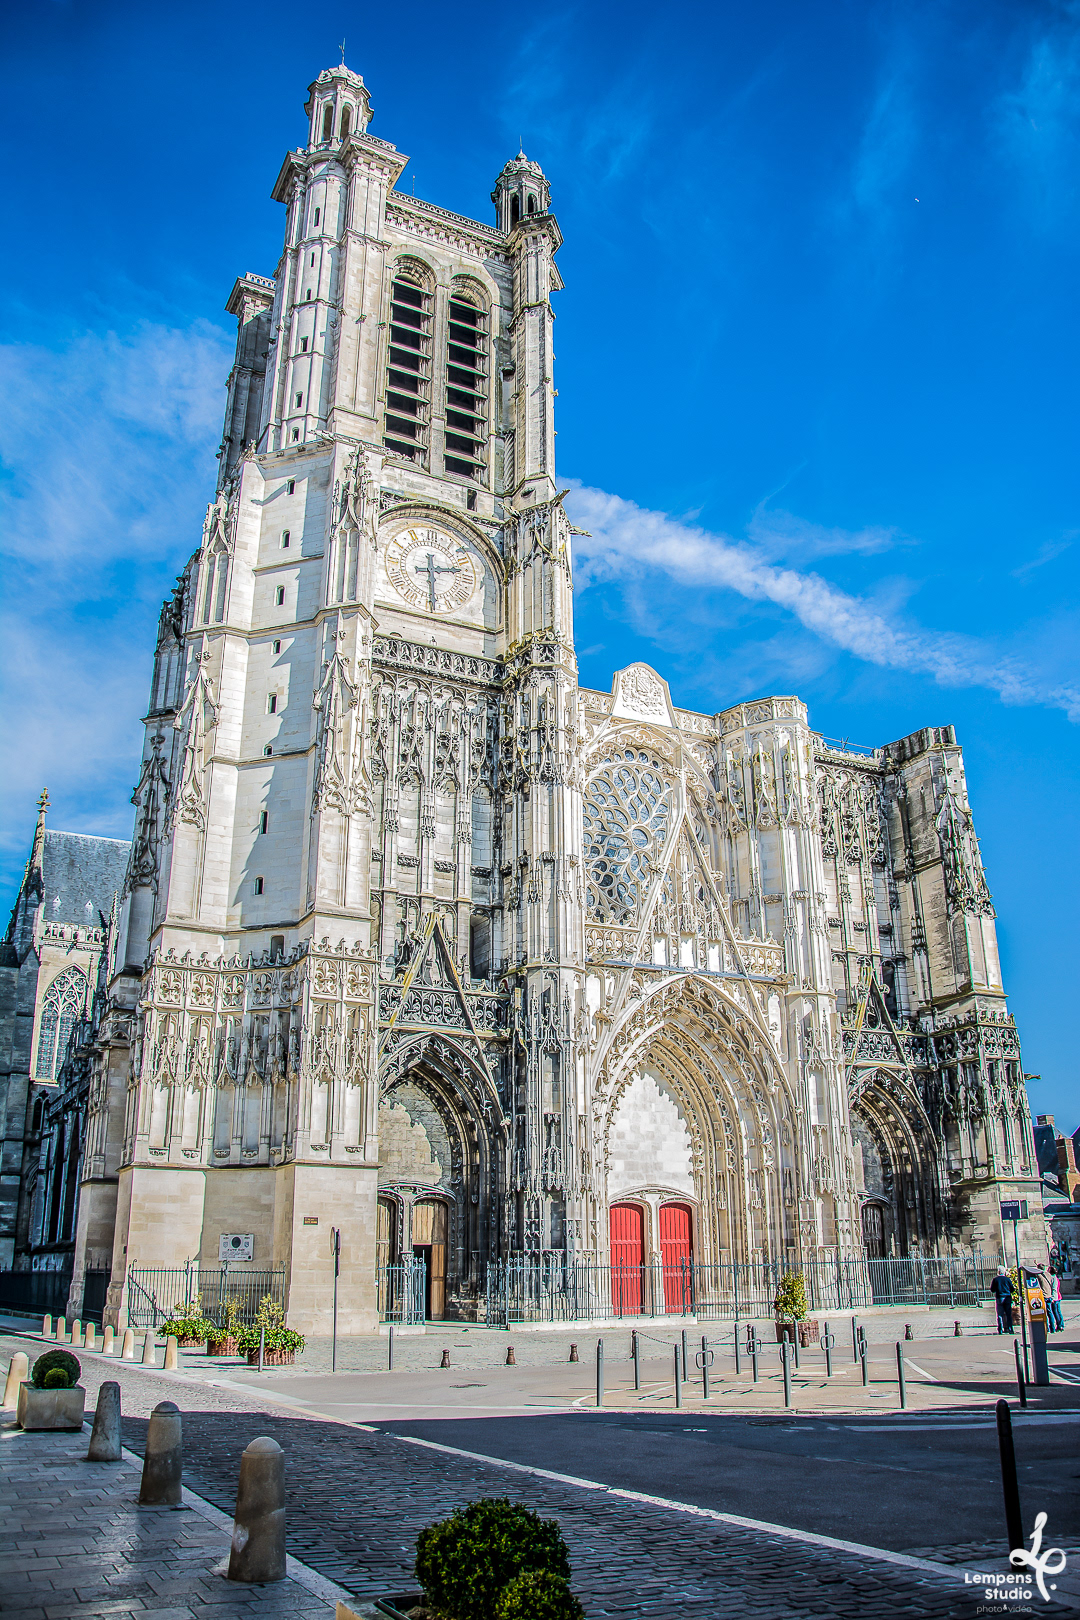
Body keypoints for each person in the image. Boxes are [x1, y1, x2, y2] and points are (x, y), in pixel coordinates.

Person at [991, 1265, 1015, 1334]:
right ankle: (1010, 1329)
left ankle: (1000, 1329)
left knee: (1000, 1314)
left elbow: (992, 1289)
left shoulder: (995, 1279)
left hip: (999, 1297)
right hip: (1007, 1297)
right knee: (1008, 1314)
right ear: (1004, 1272)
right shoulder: (1007, 1279)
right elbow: (1012, 1289)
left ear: (998, 1271)